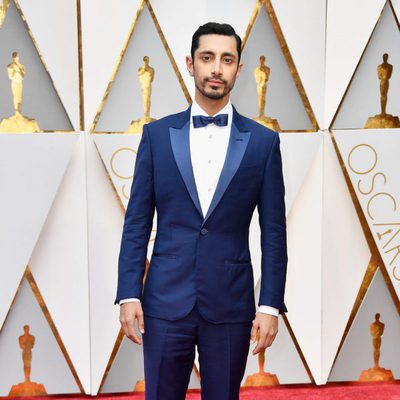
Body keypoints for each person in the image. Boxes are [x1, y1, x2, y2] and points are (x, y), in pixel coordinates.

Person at [115, 22, 288, 400]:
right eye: (207, 58)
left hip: (231, 304)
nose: (216, 68)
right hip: (163, 302)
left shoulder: (263, 143)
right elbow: (137, 223)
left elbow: (274, 232)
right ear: (190, 64)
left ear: (239, 69)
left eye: (227, 60)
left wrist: (271, 304)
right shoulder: (156, 136)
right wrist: (129, 293)